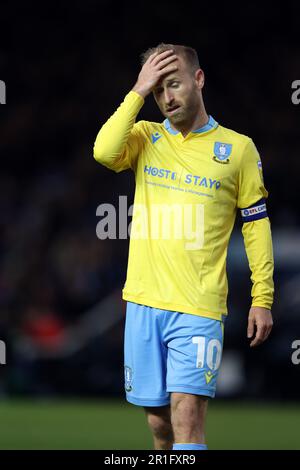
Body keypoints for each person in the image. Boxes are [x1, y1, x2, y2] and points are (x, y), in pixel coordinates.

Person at [93, 43, 274, 451]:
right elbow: (103, 151)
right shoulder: (146, 136)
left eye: (173, 85)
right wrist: (137, 92)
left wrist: (262, 296)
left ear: (199, 79)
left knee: (187, 418)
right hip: (143, 301)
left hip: (198, 306)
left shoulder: (238, 149)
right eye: (158, 91)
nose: (166, 99)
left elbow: (256, 225)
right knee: (160, 427)